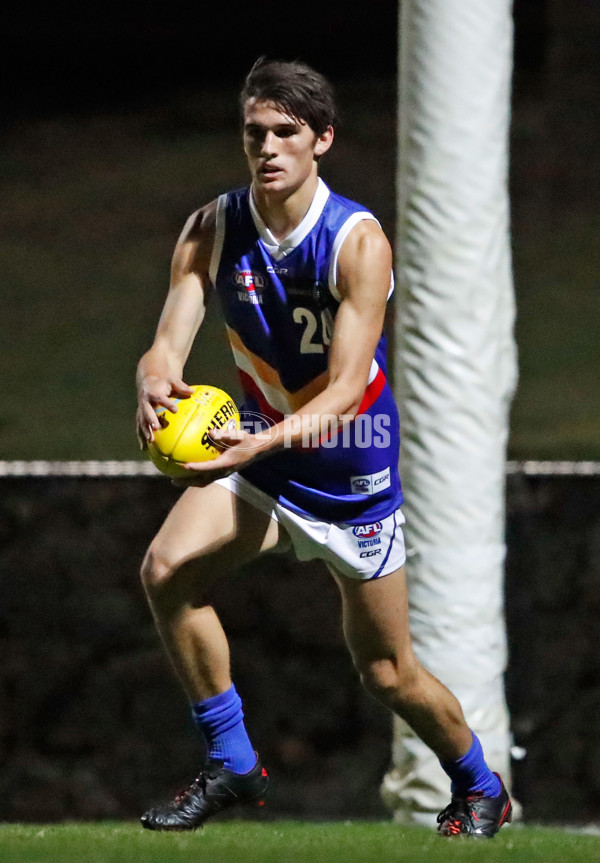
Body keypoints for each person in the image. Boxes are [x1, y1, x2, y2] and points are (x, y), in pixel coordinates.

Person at [135, 57, 512, 838]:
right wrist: (153, 375)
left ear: (322, 140)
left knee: (387, 672)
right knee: (167, 571)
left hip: (350, 470)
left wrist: (251, 444)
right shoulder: (212, 228)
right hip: (265, 454)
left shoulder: (356, 242)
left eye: (286, 132)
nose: (268, 147)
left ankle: (480, 785)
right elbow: (170, 337)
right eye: (254, 133)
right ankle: (234, 760)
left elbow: (344, 393)